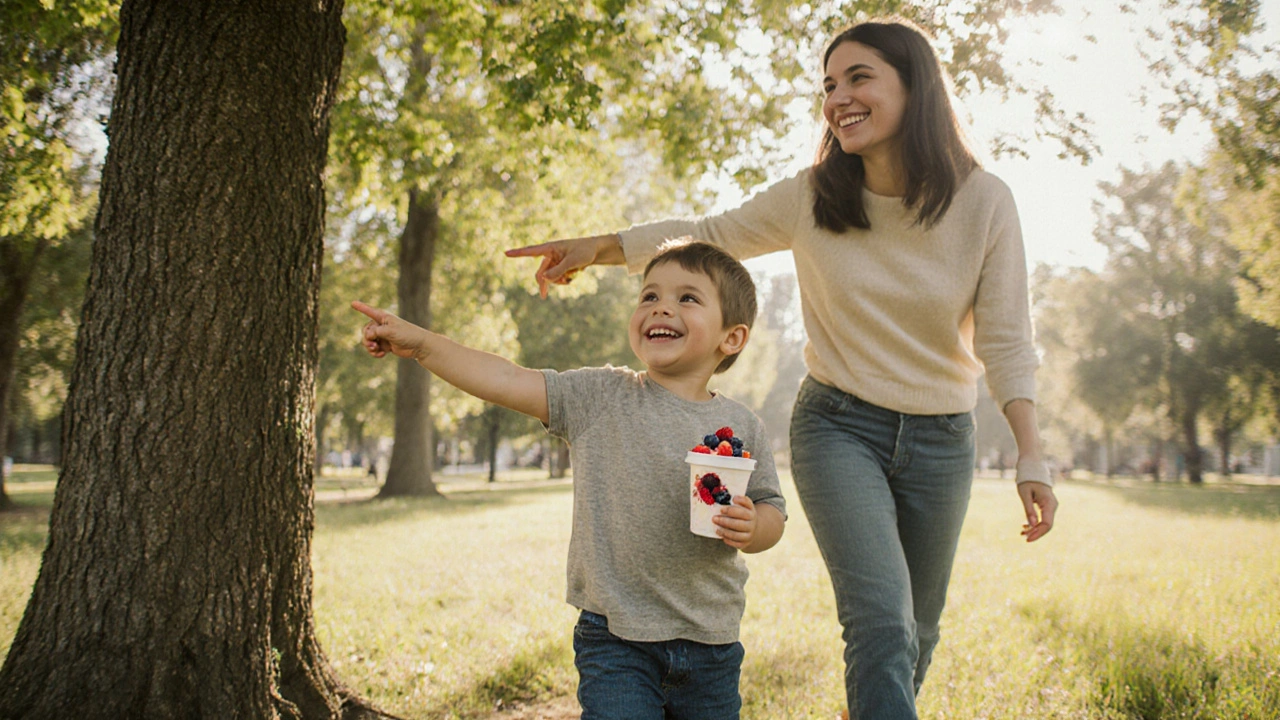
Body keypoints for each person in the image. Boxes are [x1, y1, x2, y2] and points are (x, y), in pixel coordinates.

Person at [505, 17, 1059, 720]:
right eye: (829, 84)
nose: (838, 98)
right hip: (840, 427)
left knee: (917, 631)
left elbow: (1007, 338)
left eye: (859, 78)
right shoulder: (813, 195)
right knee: (883, 624)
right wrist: (599, 247)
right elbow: (710, 233)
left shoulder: (984, 201)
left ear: (915, 87)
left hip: (943, 438)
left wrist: (1031, 453)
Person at [353, 240, 786, 720]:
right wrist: (422, 344)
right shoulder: (600, 396)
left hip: (711, 640)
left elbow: (771, 508)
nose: (661, 306)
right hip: (616, 638)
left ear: (732, 337)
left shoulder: (742, 427)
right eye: (649, 296)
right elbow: (505, 378)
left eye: (687, 297)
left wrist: (755, 527)